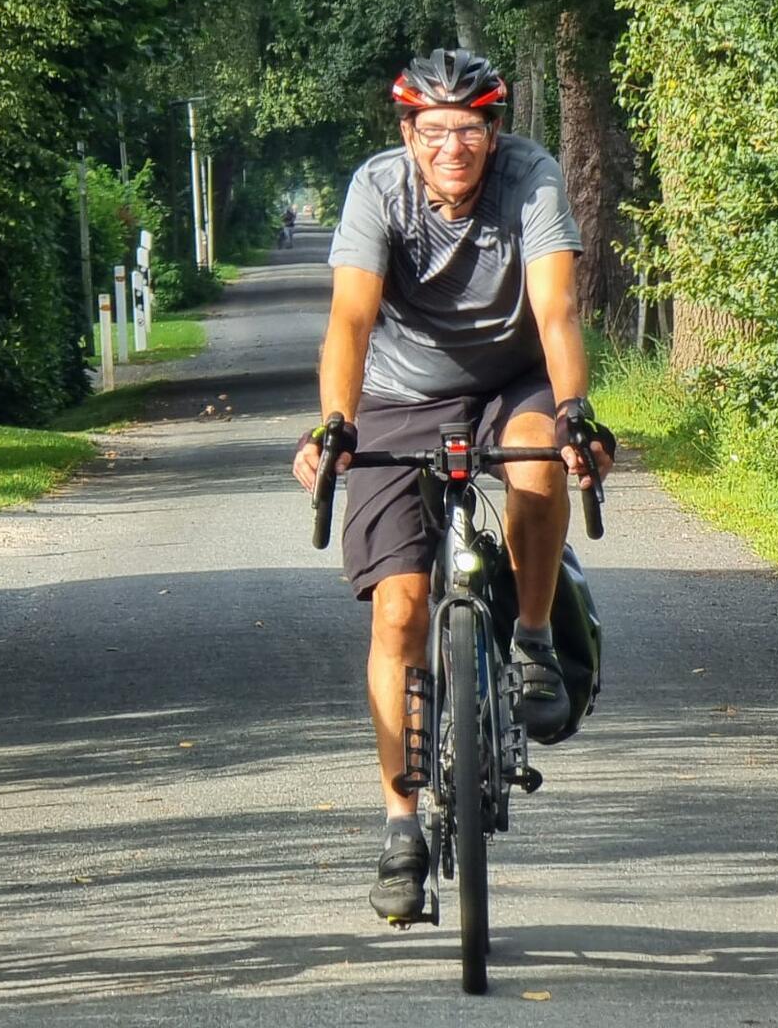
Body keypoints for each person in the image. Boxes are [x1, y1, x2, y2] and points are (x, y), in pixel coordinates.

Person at [290, 49, 615, 923]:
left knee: (540, 450)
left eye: (470, 128)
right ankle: (401, 827)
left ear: (494, 129)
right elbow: (351, 318)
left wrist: (577, 408)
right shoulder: (377, 189)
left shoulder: (532, 178)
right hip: (401, 391)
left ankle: (536, 641)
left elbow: (555, 311)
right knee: (396, 609)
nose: (453, 147)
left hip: (514, 377)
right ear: (408, 134)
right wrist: (335, 422)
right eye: (434, 131)